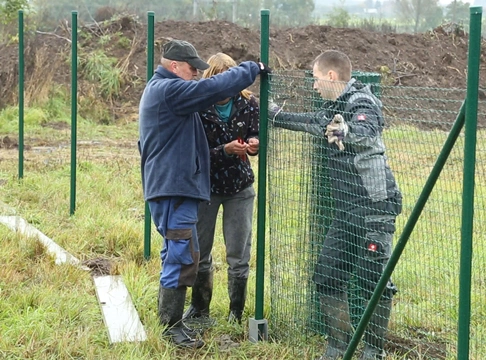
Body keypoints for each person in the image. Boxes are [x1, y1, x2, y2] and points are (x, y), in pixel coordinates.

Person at [269, 50, 402, 360]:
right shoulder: (332, 109)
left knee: (374, 283)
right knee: (327, 278)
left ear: (330, 76)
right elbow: (308, 122)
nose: (314, 87)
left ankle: (373, 352)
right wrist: (273, 113)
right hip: (345, 211)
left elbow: (365, 130)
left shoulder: (361, 101)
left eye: (316, 79)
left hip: (374, 208)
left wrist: (345, 131)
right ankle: (337, 348)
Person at [138, 39, 270, 349]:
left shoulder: (162, 90)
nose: (197, 73)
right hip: (174, 188)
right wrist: (252, 68)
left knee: (182, 253)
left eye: (199, 69)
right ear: (173, 66)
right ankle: (171, 327)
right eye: (191, 68)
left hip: (175, 186)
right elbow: (211, 89)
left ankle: (172, 321)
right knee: (181, 254)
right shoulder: (169, 90)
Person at [182, 53, 259, 327]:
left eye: (232, 79)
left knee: (239, 253)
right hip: (207, 186)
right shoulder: (197, 107)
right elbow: (194, 152)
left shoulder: (248, 103)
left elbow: (258, 133)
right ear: (211, 79)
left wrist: (254, 144)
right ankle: (199, 308)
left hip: (240, 186)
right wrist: (225, 150)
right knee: (200, 250)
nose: (228, 86)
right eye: (221, 79)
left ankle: (235, 312)